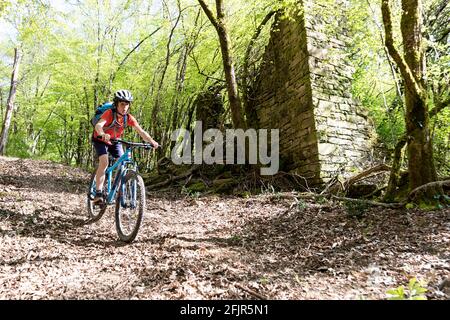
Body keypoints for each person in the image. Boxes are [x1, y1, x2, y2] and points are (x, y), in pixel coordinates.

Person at [92, 89, 159, 203]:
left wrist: (151, 141)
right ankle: (98, 193)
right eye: (122, 104)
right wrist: (102, 134)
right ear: (116, 104)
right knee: (104, 162)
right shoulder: (109, 113)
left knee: (122, 162)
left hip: (115, 141)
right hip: (100, 139)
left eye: (127, 104)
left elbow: (141, 132)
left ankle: (118, 190)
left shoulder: (128, 118)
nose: (124, 107)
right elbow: (99, 125)